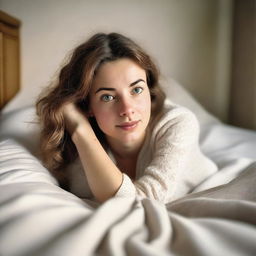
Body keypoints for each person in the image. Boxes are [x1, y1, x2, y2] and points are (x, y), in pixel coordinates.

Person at [36, 32, 217, 203]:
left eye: (136, 90)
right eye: (108, 97)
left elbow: (141, 203)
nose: (127, 109)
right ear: (86, 106)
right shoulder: (79, 149)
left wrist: (81, 130)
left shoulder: (178, 123)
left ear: (149, 89)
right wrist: (79, 129)